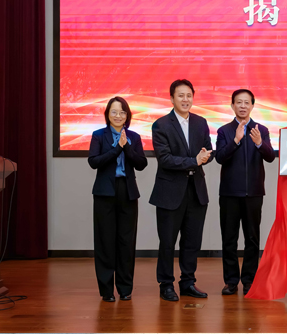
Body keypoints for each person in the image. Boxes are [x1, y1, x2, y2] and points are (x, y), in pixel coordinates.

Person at [149, 79, 214, 302]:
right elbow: (165, 159)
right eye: (180, 95)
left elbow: (208, 150)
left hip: (196, 191)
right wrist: (194, 160)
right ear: (171, 99)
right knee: (167, 242)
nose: (185, 100)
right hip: (170, 192)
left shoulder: (200, 122)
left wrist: (205, 156)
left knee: (192, 241)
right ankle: (166, 285)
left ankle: (187, 282)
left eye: (189, 95)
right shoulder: (161, 125)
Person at [215, 89, 275, 296]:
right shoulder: (224, 131)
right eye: (238, 102)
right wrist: (235, 140)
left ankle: (249, 280)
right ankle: (231, 281)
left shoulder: (261, 130)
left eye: (246, 102)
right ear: (232, 105)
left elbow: (270, 157)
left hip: (254, 193)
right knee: (229, 239)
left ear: (252, 105)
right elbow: (219, 158)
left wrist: (259, 143)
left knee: (252, 238)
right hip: (230, 194)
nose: (242, 106)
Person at [88, 97, 147, 302]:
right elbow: (94, 162)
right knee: (105, 241)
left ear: (127, 115)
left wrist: (127, 147)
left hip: (127, 192)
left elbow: (141, 164)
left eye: (122, 112)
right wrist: (117, 149)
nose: (118, 116)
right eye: (114, 112)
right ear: (107, 114)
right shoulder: (98, 135)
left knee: (126, 242)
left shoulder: (134, 137)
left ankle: (125, 289)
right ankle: (106, 291)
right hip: (105, 192)